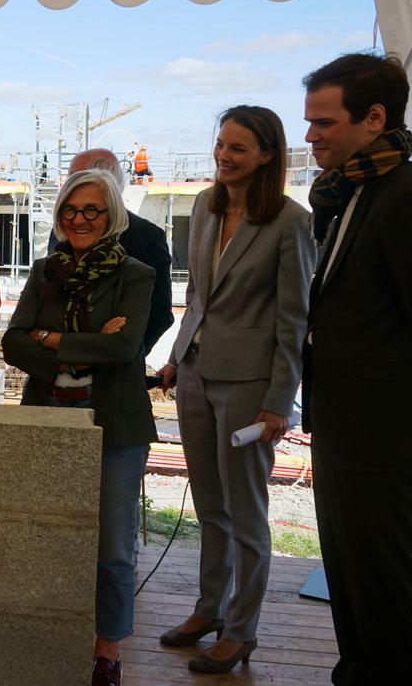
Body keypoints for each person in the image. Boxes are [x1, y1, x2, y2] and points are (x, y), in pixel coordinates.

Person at [157, 106, 314, 673]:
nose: (223, 155)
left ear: (268, 155)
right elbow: (197, 293)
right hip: (196, 376)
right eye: (221, 144)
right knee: (210, 508)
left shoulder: (291, 222)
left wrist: (278, 400)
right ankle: (209, 610)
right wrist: (177, 357)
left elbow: (293, 319)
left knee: (246, 514)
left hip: (250, 385)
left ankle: (242, 630)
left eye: (238, 148)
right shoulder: (205, 204)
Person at [1, 169, 155, 686]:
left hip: (115, 426)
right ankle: (49, 637)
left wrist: (50, 338)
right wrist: (72, 340)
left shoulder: (137, 274)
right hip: (49, 420)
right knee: (45, 535)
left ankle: (107, 648)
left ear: (111, 215)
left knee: (112, 548)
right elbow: (13, 343)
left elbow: (124, 349)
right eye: (70, 209)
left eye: (92, 210)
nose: (80, 219)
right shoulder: (45, 269)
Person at [301, 52, 411, 685]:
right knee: (353, 580)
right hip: (345, 429)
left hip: (385, 439)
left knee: (386, 589)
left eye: (323, 122)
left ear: (374, 118)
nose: (311, 135)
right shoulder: (350, 194)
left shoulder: (401, 197)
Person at [60, 148, 174, 356]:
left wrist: (124, 356)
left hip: (115, 378)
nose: (66, 185)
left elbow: (160, 315)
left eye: (74, 177)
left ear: (105, 180)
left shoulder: (145, 236)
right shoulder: (62, 229)